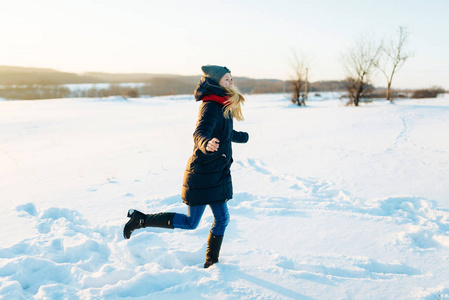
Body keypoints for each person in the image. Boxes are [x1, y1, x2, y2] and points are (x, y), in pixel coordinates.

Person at [123, 65, 249, 268]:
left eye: (231, 78)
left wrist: (240, 136)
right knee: (192, 223)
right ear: (217, 83)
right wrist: (205, 143)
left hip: (216, 173)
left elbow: (223, 132)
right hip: (203, 174)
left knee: (222, 218)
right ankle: (141, 220)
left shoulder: (222, 104)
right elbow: (200, 132)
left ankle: (211, 262)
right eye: (227, 79)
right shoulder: (210, 106)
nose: (231, 82)